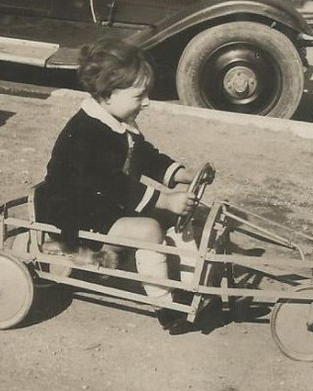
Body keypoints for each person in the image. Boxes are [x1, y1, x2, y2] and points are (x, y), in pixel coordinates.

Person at [33, 39, 195, 328]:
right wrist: (166, 200)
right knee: (150, 229)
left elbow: (145, 156)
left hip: (102, 206)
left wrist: (179, 173)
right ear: (108, 95)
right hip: (73, 213)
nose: (146, 102)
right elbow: (112, 182)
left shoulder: (117, 121)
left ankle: (188, 278)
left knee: (180, 213)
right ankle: (165, 305)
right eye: (139, 96)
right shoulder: (85, 132)